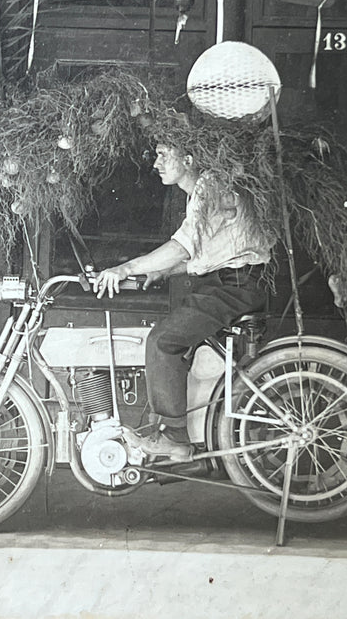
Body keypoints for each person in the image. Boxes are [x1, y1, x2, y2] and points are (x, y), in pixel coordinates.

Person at [93, 143, 273, 461]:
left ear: (188, 158)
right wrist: (163, 273)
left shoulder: (210, 185)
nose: (156, 162)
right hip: (229, 283)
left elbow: (182, 247)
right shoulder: (202, 190)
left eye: (164, 154)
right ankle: (163, 429)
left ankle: (175, 437)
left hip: (235, 287)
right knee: (175, 339)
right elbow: (208, 253)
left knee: (164, 340)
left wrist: (128, 267)